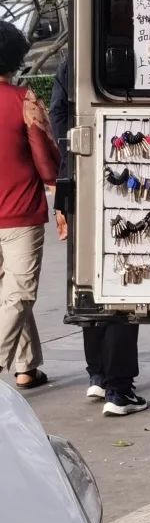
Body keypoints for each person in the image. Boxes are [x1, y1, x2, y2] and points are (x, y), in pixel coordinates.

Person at [50, 54, 147, 416]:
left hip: (75, 175)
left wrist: (71, 157)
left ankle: (98, 374)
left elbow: (58, 116)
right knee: (124, 281)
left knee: (89, 279)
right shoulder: (131, 54)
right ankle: (118, 389)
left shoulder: (69, 60)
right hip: (126, 174)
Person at [0, 21, 60, 390]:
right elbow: (45, 157)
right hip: (21, 212)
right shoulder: (24, 101)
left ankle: (27, 365)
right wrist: (61, 196)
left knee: (9, 294)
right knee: (18, 294)